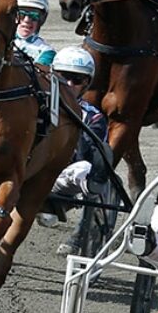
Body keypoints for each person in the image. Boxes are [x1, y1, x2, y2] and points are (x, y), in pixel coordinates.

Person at [39, 46, 113, 253]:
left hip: (64, 180)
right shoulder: (37, 106)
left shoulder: (93, 117)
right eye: (64, 77)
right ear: (54, 76)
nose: (69, 85)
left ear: (86, 84)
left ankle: (81, 235)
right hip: (30, 173)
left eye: (77, 80)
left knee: (84, 169)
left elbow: (88, 158)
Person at [14, 0, 56, 66]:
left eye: (34, 15)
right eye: (21, 14)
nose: (27, 20)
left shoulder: (47, 52)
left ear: (42, 19)